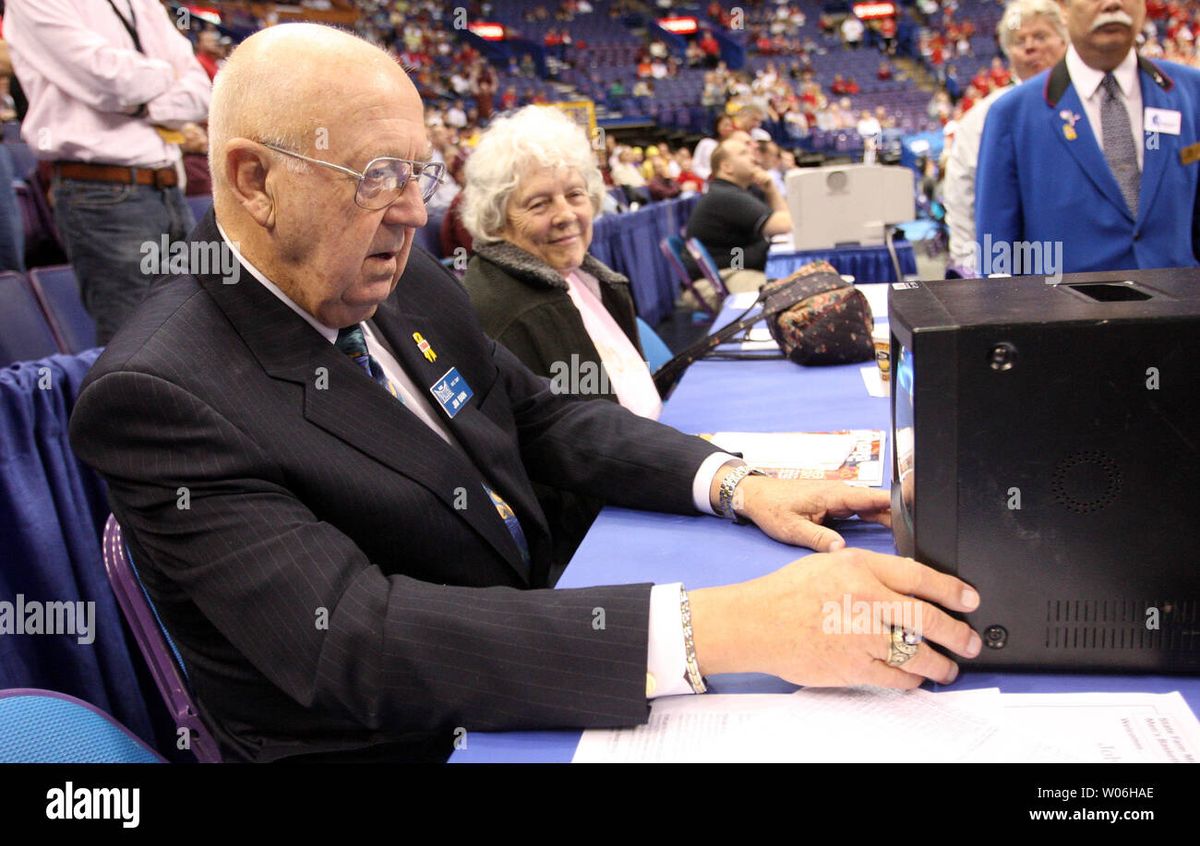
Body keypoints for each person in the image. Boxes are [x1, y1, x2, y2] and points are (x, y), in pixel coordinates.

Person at [69, 24, 982, 764]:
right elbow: (360, 640)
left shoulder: (399, 275)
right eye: (375, 177)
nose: (414, 212)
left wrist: (736, 482)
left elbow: (541, 416)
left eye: (419, 174)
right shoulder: (161, 396)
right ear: (252, 181)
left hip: (538, 633)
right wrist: (733, 628)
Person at [4, 0, 210, 343]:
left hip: (169, 187)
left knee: (193, 336)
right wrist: (166, 75)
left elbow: (200, 90)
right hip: (102, 191)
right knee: (134, 346)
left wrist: (143, 101)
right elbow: (109, 81)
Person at [976, 0, 1200, 273]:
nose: (1113, 4)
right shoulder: (1011, 115)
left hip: (1180, 311)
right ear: (1064, 9)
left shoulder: (1191, 93)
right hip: (1066, 313)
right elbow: (996, 258)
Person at [943, 0, 1067, 275]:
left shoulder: (1095, 103)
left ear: (1064, 40)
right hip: (1022, 267)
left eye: (1040, 36)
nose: (1030, 46)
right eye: (1018, 41)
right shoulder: (983, 117)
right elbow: (961, 199)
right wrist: (972, 268)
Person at [684, 134, 791, 289]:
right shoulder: (725, 196)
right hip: (721, 277)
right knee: (784, 292)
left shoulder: (733, 191)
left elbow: (784, 225)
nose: (753, 159)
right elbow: (786, 225)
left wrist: (769, 188)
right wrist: (772, 189)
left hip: (736, 267)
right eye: (743, 153)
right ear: (726, 167)